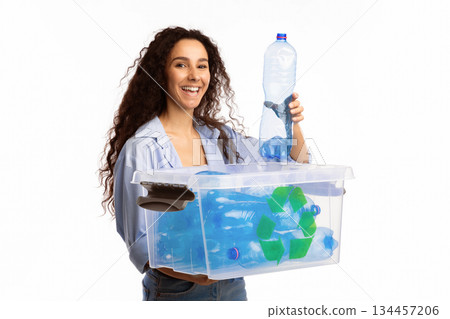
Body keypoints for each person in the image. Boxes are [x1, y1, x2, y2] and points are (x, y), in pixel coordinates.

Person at [99, 26, 309, 301]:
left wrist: (292, 125)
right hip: (176, 291)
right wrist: (196, 274)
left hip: (232, 283)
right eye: (181, 64)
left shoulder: (220, 138)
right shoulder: (142, 148)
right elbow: (142, 245)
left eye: (202, 66)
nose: (194, 76)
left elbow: (290, 163)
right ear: (161, 72)